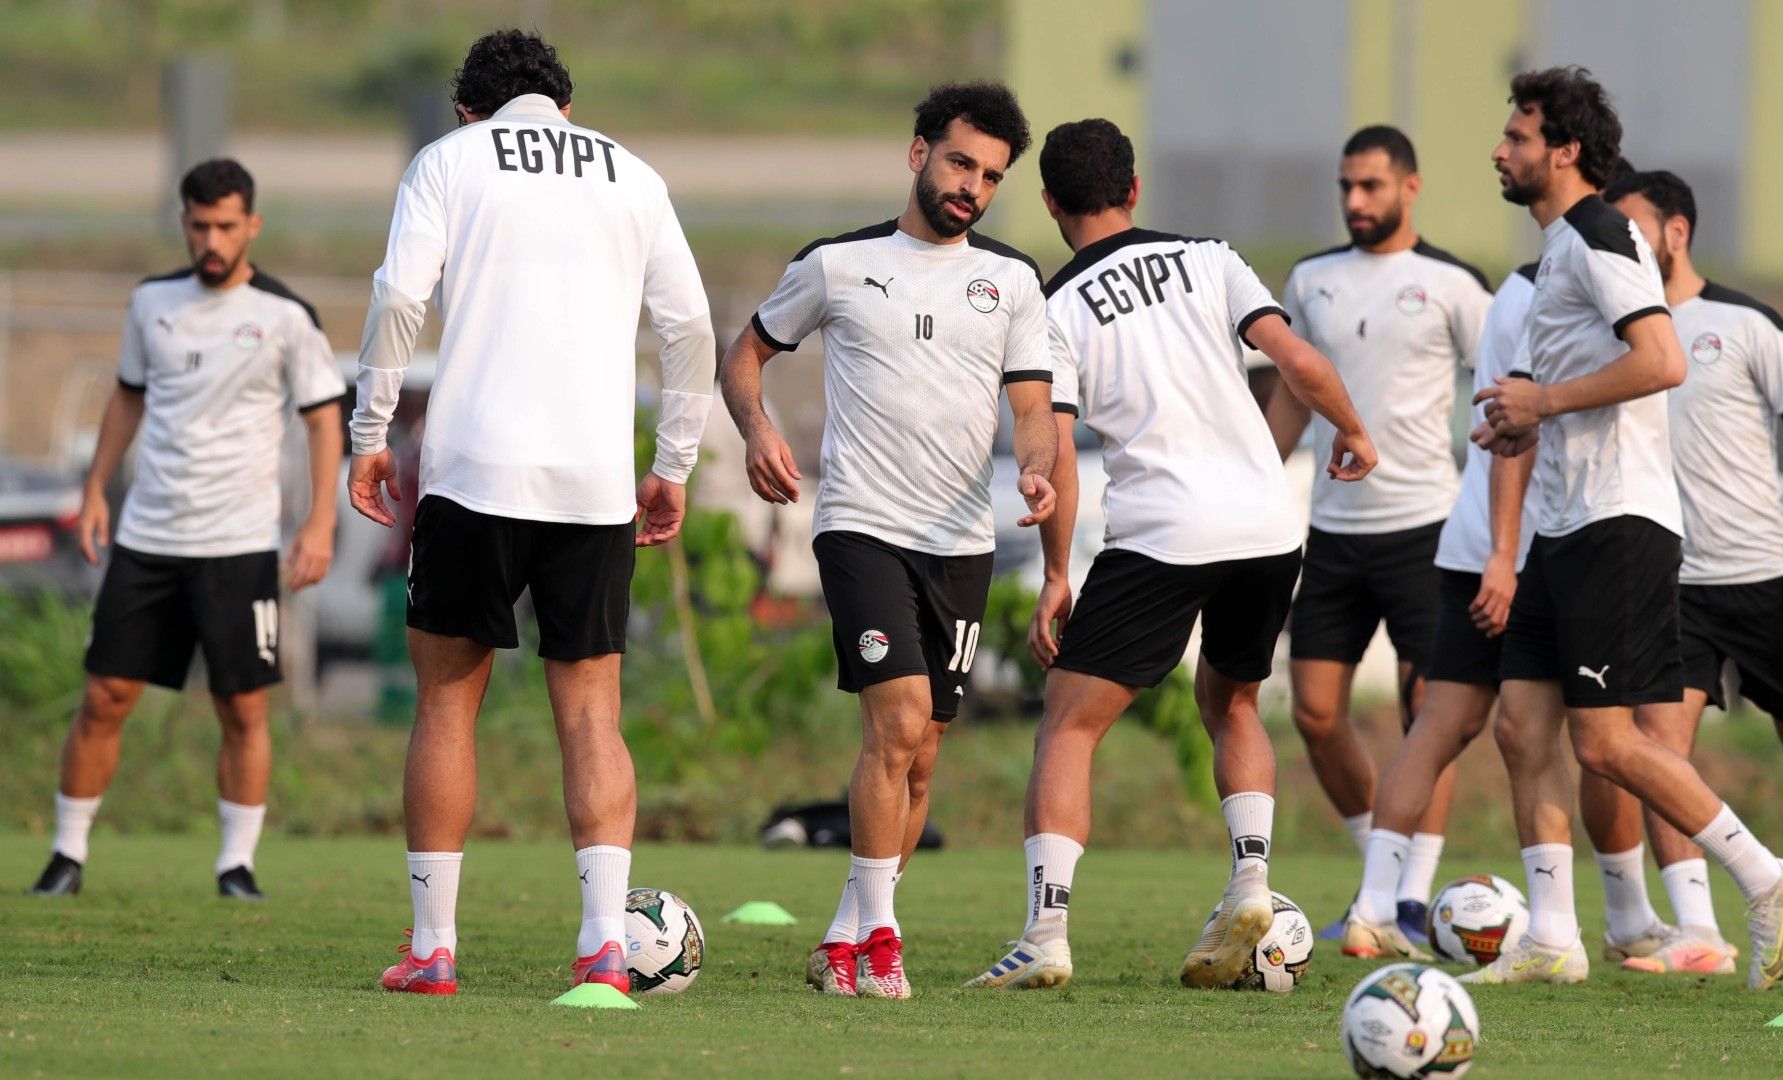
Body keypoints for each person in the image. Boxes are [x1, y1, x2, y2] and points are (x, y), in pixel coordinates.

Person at [964, 118, 1376, 991]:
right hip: (1267, 522)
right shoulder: (1209, 255)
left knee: (1070, 725)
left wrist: (1057, 574)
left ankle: (1045, 935)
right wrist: (1352, 429)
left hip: (1164, 532)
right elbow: (1296, 356)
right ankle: (1252, 882)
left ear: (1049, 202)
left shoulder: (1054, 307)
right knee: (1232, 702)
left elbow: (1059, 452)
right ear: (1135, 188)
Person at [347, 30, 717, 996]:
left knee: (445, 701)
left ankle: (433, 949)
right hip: (594, 483)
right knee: (592, 713)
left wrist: (369, 429)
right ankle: (603, 943)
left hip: (473, 472)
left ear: (471, 107)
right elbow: (689, 326)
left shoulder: (448, 160)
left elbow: (398, 298)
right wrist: (672, 462)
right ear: (563, 101)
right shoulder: (632, 173)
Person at [1470, 66, 1783, 990]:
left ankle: (1765, 876)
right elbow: (1579, 387)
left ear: (1565, 150)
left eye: (1517, 135)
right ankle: (1551, 937)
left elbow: (1661, 360)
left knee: (1607, 744)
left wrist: (1544, 397)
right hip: (1565, 520)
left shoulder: (1600, 232)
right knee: (1520, 728)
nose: (1500, 150)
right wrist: (1525, 415)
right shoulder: (1558, 254)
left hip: (1619, 521)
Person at [718, 81, 1055, 1000]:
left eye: (990, 176)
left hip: (962, 539)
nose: (972, 187)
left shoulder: (1014, 281)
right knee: (898, 721)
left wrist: (1036, 466)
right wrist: (758, 429)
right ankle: (880, 939)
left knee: (924, 751)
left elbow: (1032, 408)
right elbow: (744, 353)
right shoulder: (836, 265)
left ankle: (844, 932)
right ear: (918, 154)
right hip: (861, 525)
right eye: (959, 163)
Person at [1577, 168, 1783, 977]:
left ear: (1676, 232)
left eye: (1633, 227)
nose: (1619, 243)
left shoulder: (1746, 323)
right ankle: (1701, 930)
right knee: (1657, 751)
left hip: (1770, 580)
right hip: (1673, 583)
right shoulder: (1614, 329)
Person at [28, 159, 344, 902]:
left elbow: (324, 417)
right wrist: (97, 488)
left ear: (251, 226)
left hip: (238, 542)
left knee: (242, 707)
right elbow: (127, 397)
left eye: (226, 226)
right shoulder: (151, 303)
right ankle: (66, 855)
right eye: (199, 225)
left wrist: (320, 519)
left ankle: (237, 866)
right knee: (105, 695)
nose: (212, 239)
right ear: (184, 223)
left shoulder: (286, 315)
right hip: (149, 536)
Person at [1267, 127, 1492, 942]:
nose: (1356, 202)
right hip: (1333, 530)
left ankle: (1407, 900)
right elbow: (1295, 391)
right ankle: (1379, 873)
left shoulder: (1453, 285)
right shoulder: (1311, 279)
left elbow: (1501, 391)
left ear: (1410, 187)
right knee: (1316, 712)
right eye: (1346, 187)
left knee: (1427, 711)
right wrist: (1259, 473)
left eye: (1371, 186)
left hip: (1428, 531)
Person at [1339, 258, 1540, 958]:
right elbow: (1516, 423)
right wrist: (1504, 556)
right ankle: (1572, 927)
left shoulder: (1503, 290)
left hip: (1468, 544)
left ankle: (1378, 905)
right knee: (1537, 732)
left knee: (1444, 725)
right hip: (1511, 550)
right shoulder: (1541, 292)